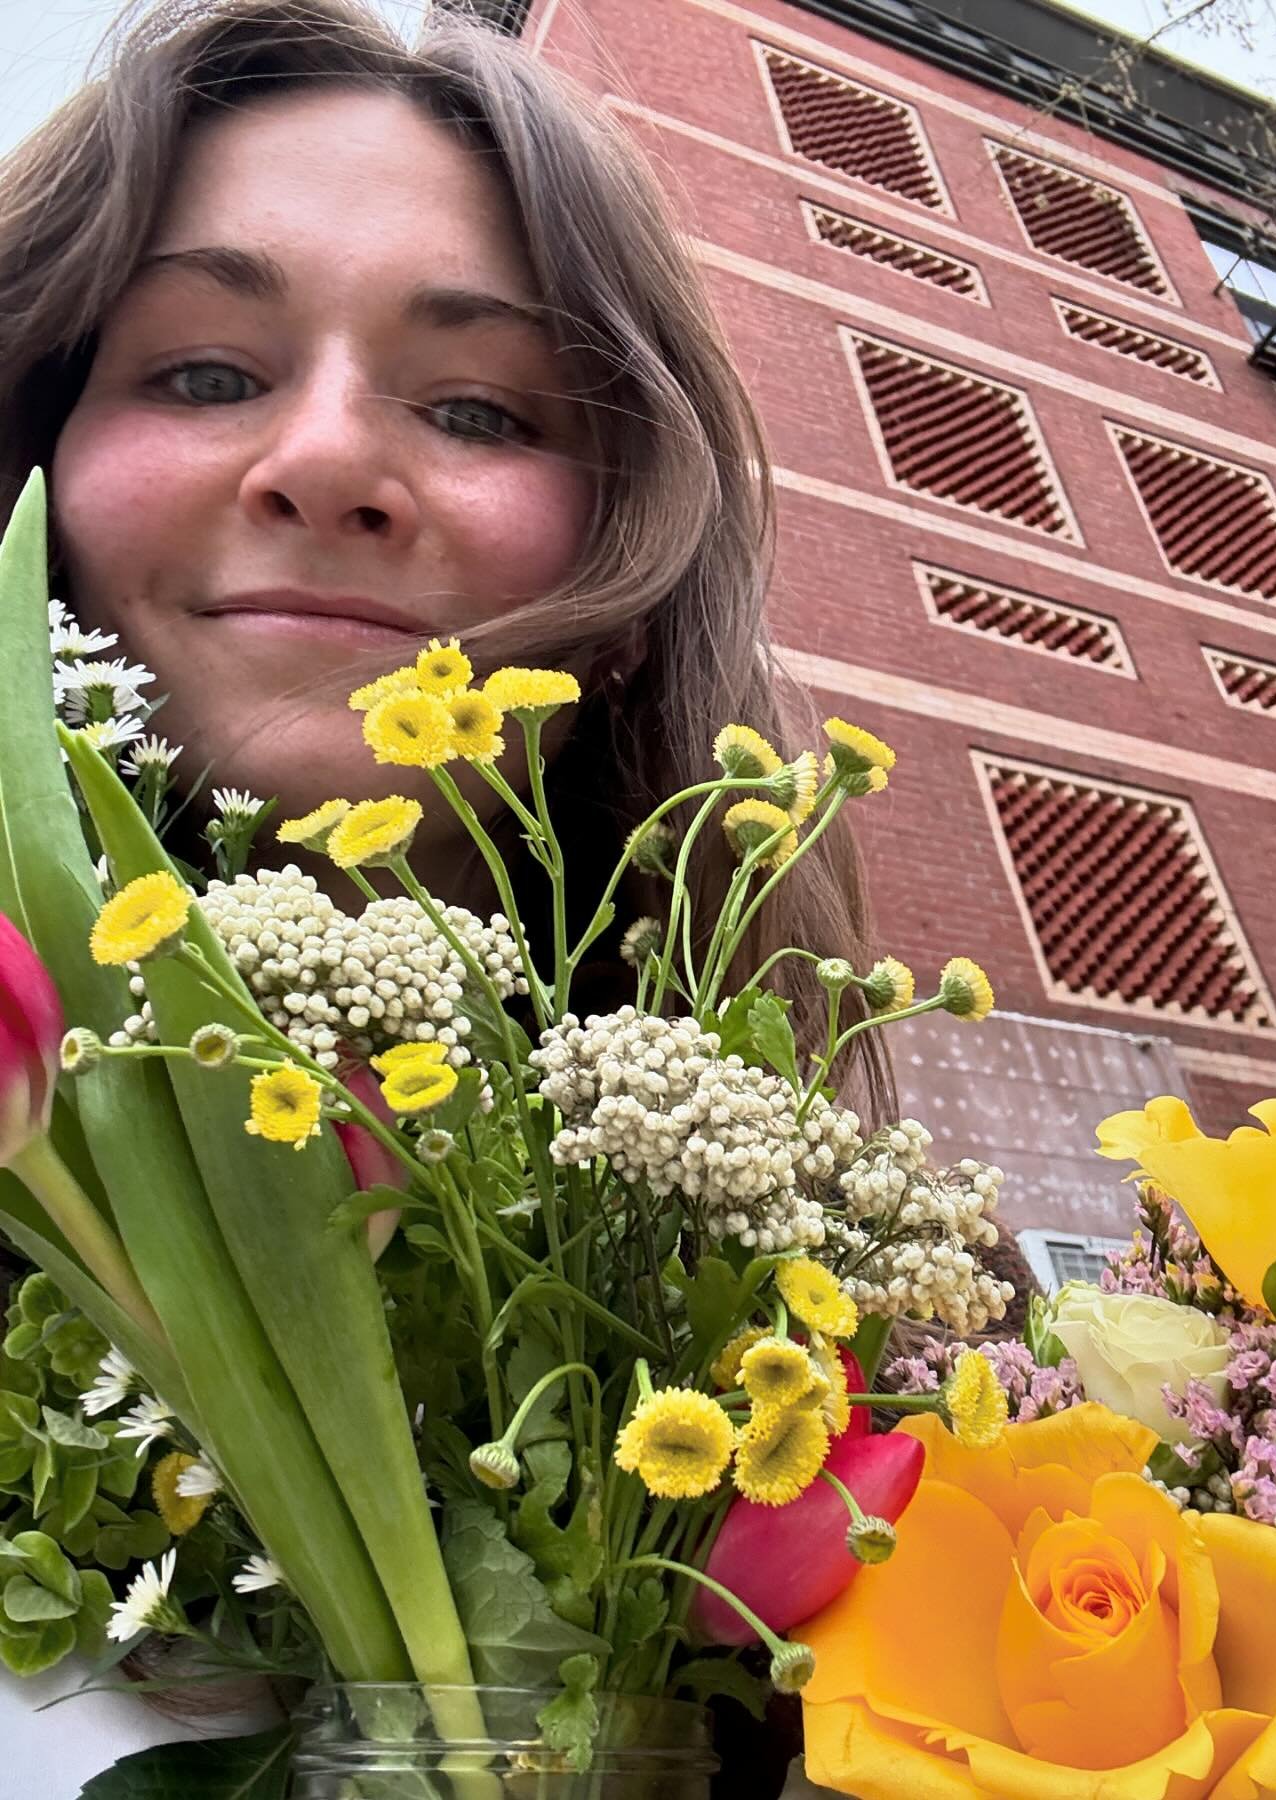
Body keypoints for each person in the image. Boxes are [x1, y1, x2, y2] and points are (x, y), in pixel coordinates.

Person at [0, 0, 891, 1786]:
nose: (323, 461)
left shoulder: (817, 1302)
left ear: (634, 544)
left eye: (481, 405)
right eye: (199, 370)